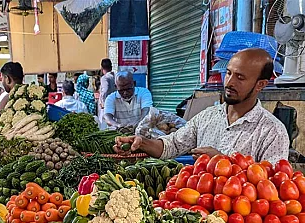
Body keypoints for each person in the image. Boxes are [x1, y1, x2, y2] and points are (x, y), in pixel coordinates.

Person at [114, 48, 290, 164]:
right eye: (228, 73)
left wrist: (225, 162)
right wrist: (141, 142)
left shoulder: (273, 132)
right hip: (200, 212)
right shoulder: (208, 116)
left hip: (241, 220)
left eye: (240, 77)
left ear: (261, 84)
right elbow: (172, 145)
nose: (229, 82)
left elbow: (273, 186)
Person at [99, 58, 116, 129]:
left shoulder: (105, 78)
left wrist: (103, 102)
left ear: (102, 68)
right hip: (114, 103)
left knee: (104, 125)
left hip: (106, 105)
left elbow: (105, 90)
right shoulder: (115, 76)